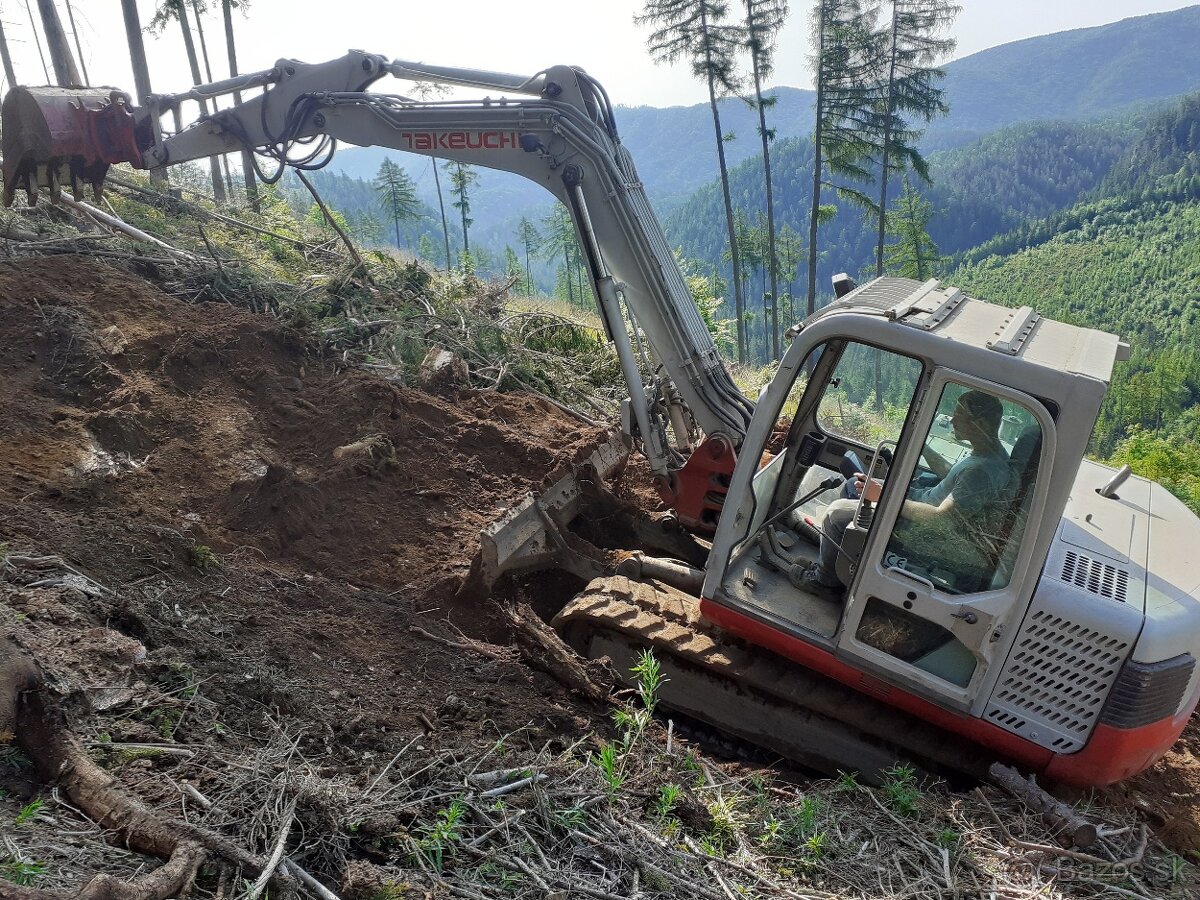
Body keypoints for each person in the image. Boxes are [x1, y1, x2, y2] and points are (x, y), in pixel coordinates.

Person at [797, 390, 1011, 601]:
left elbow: (942, 520)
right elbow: (949, 473)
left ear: (981, 424)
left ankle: (825, 582)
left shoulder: (981, 472)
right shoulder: (990, 454)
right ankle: (836, 563)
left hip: (921, 530)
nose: (952, 420)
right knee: (854, 485)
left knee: (836, 515)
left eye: (959, 416)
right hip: (921, 502)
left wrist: (884, 498)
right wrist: (922, 447)